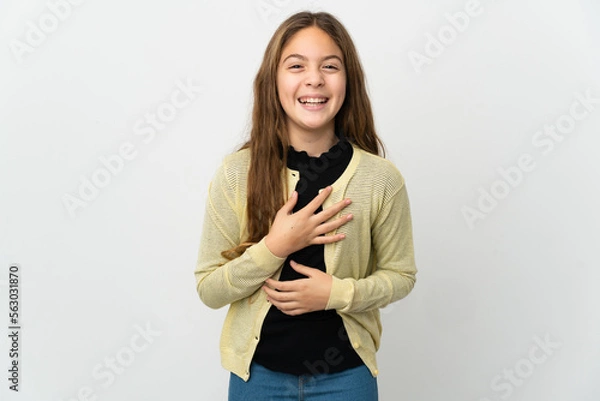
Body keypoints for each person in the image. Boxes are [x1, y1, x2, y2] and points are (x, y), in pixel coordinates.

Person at [194, 10, 417, 401]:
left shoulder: (381, 179)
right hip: (257, 379)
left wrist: (337, 294)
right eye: (296, 65)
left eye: (330, 66)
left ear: (349, 81)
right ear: (273, 81)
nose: (314, 78)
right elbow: (210, 289)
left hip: (348, 379)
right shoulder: (236, 174)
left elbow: (401, 276)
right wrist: (275, 247)